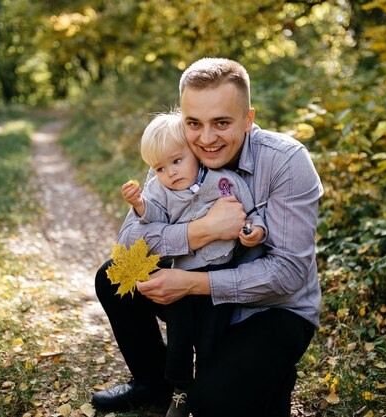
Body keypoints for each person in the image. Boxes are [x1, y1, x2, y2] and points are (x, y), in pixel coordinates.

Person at [92, 57, 324, 417]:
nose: (206, 138)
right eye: (194, 123)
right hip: (202, 304)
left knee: (210, 403)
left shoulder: (286, 162)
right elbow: (128, 244)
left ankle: (265, 374)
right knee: (114, 275)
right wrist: (201, 231)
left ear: (248, 120)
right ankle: (153, 384)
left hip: (271, 310)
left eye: (221, 123)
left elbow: (288, 276)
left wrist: (190, 283)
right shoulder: (176, 153)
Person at [121, 111, 266, 417]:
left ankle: (208, 391)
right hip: (181, 275)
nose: (171, 173)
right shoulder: (159, 190)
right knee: (180, 336)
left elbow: (250, 212)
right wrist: (140, 205)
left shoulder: (224, 182)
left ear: (194, 152)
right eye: (160, 168)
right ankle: (180, 390)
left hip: (219, 273)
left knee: (212, 336)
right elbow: (149, 224)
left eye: (176, 161)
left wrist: (254, 230)